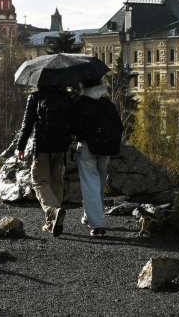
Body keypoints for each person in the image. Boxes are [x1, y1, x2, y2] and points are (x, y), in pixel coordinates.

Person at [16, 84, 75, 237]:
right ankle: (51, 223)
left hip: (43, 145)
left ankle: (53, 211)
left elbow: (27, 123)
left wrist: (20, 146)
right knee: (57, 181)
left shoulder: (36, 97)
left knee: (39, 181)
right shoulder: (66, 97)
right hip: (62, 145)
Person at [73, 78, 122, 238]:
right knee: (99, 183)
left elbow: (75, 128)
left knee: (90, 184)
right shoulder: (107, 104)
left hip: (88, 147)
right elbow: (119, 126)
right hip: (106, 148)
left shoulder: (81, 103)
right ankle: (90, 217)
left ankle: (98, 225)